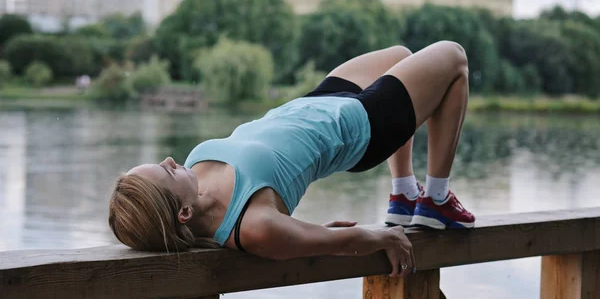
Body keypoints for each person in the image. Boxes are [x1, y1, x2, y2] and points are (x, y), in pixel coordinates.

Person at [108, 40, 475, 278]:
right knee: (454, 57)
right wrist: (378, 237)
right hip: (364, 127)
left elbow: (312, 235)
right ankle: (436, 200)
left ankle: (404, 193)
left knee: (399, 56)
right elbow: (340, 244)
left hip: (319, 101)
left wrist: (314, 232)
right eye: (165, 170)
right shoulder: (252, 226)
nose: (171, 160)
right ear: (183, 213)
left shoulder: (194, 173)